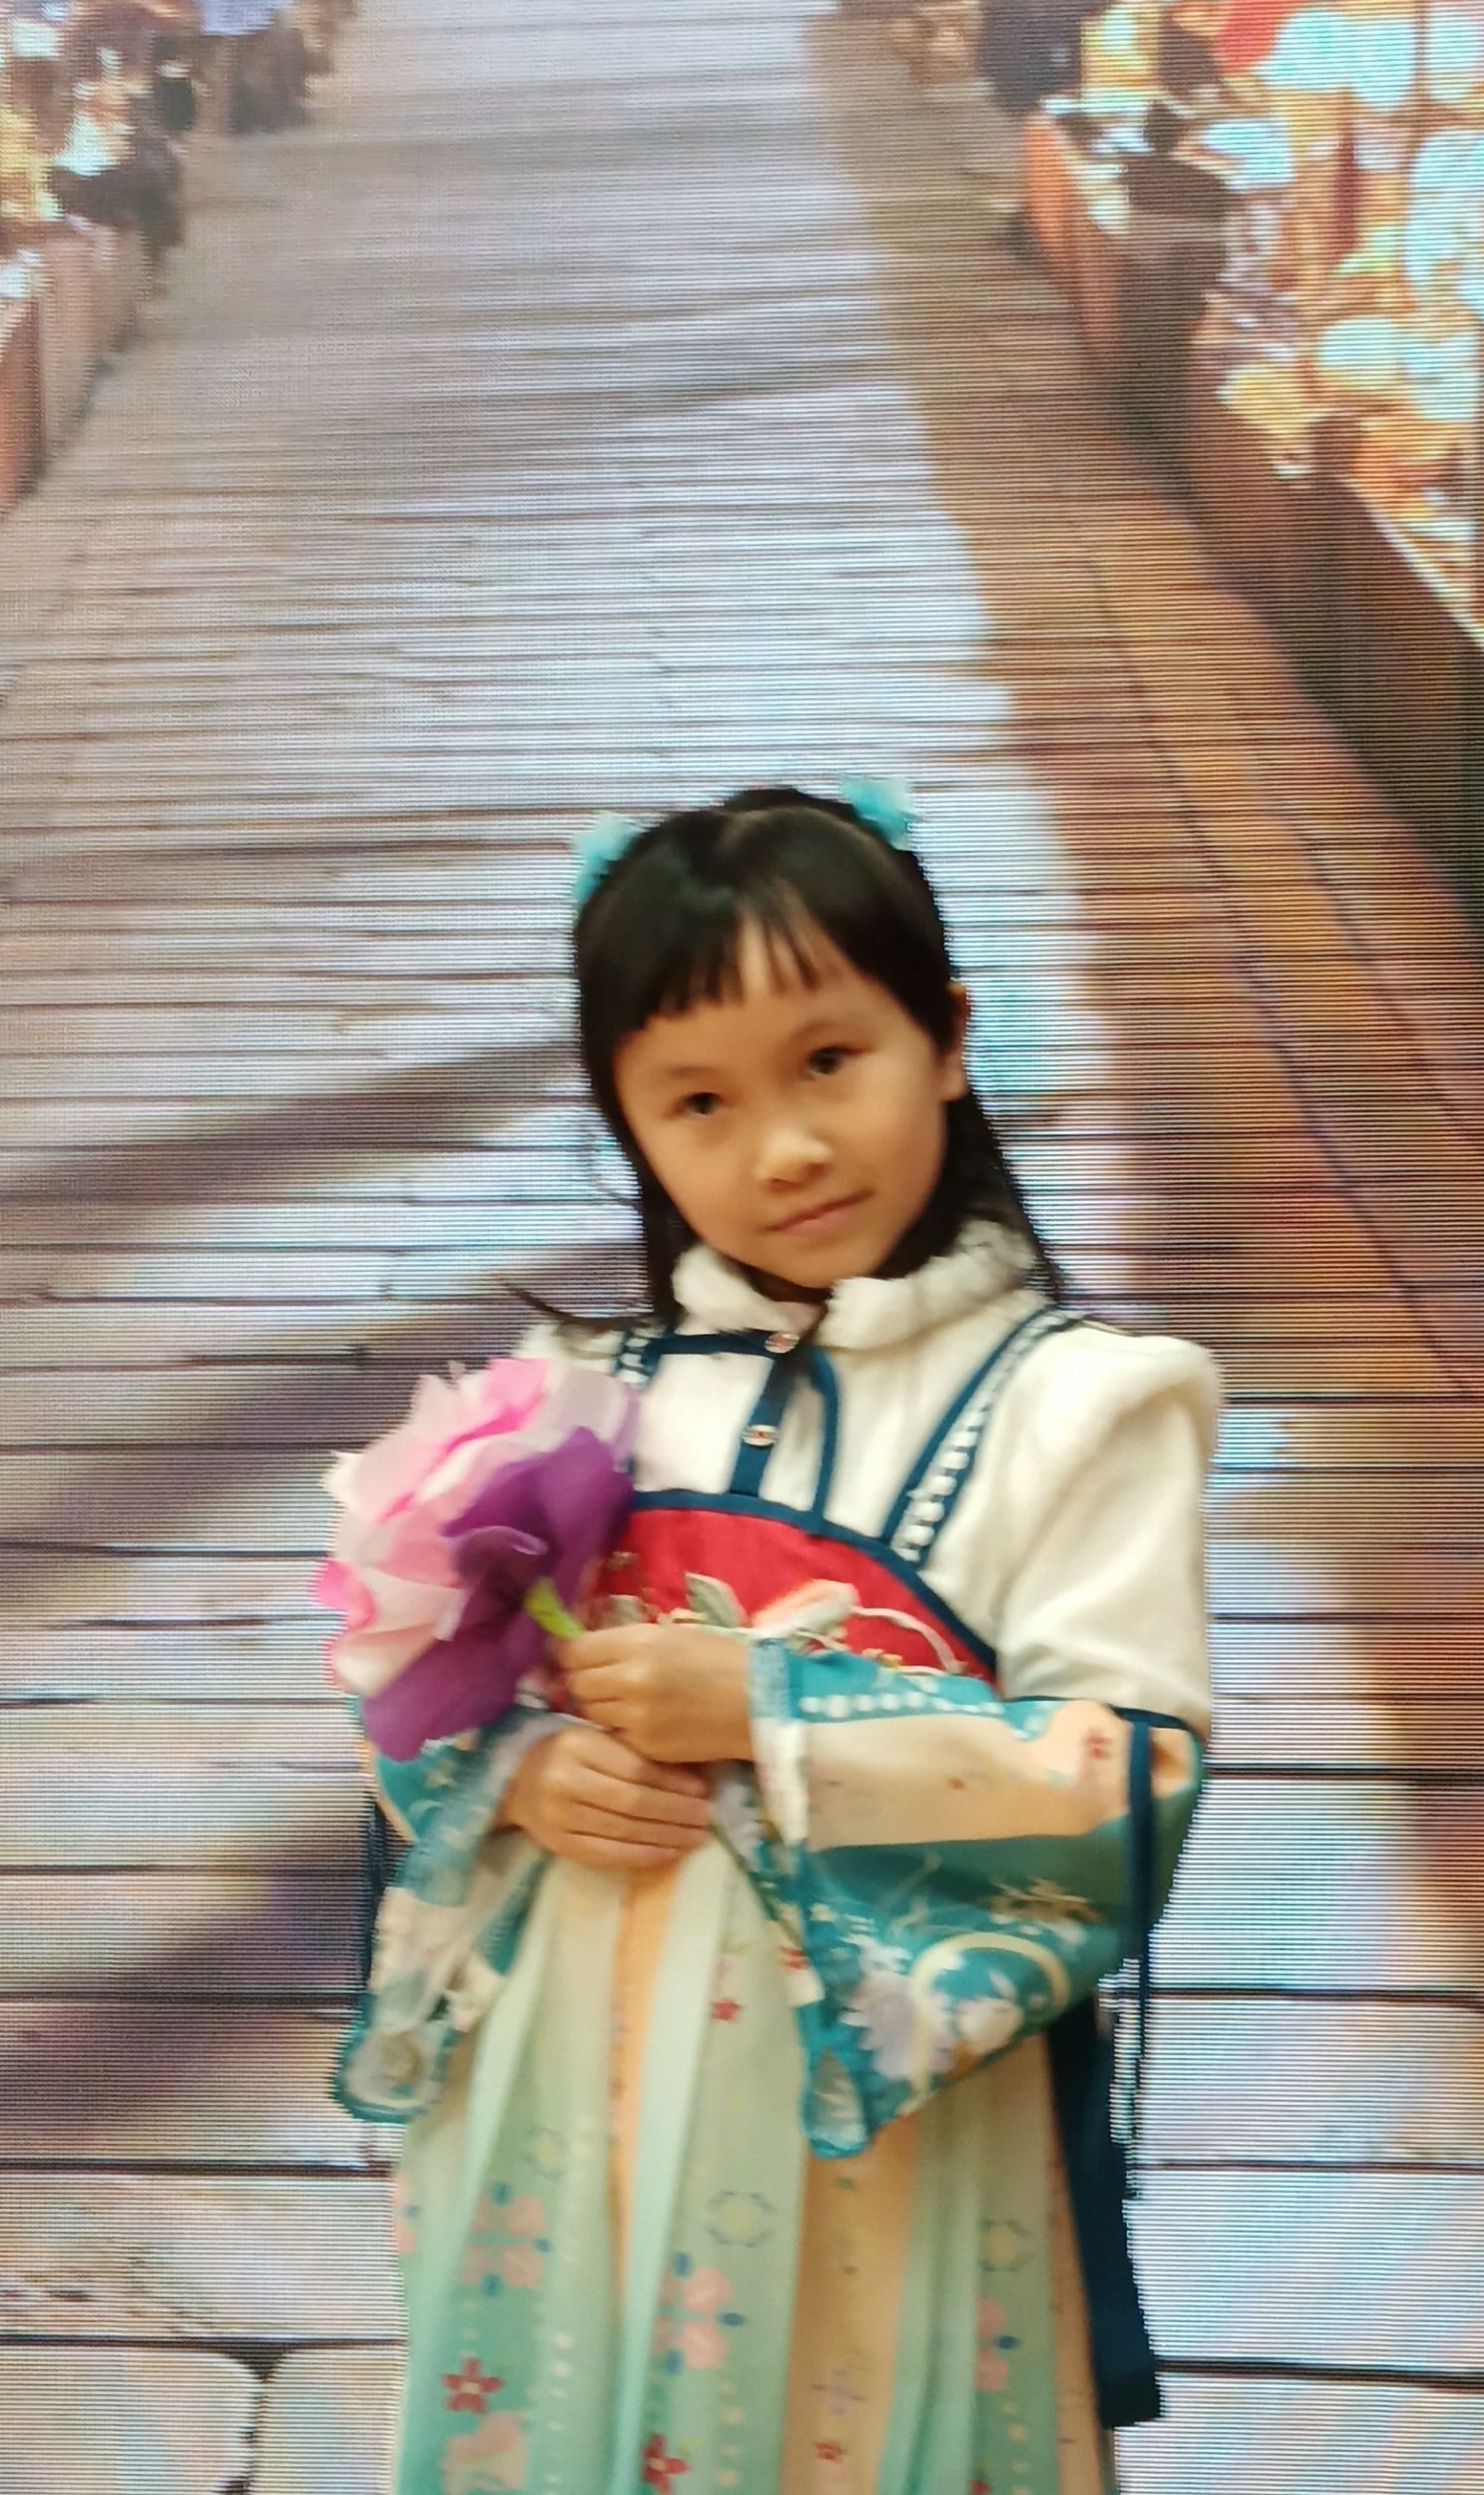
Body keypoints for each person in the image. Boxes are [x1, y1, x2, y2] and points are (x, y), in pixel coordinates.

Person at [329, 783, 1224, 2495]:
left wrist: (775, 1707)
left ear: (947, 1036)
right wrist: (522, 1776)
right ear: (631, 1125)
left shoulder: (1084, 1406)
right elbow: (412, 1725)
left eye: (829, 1061)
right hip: (566, 2110)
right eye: (701, 1101)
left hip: (882, 2148)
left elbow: (1130, 1781)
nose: (787, 1146)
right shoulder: (581, 1396)